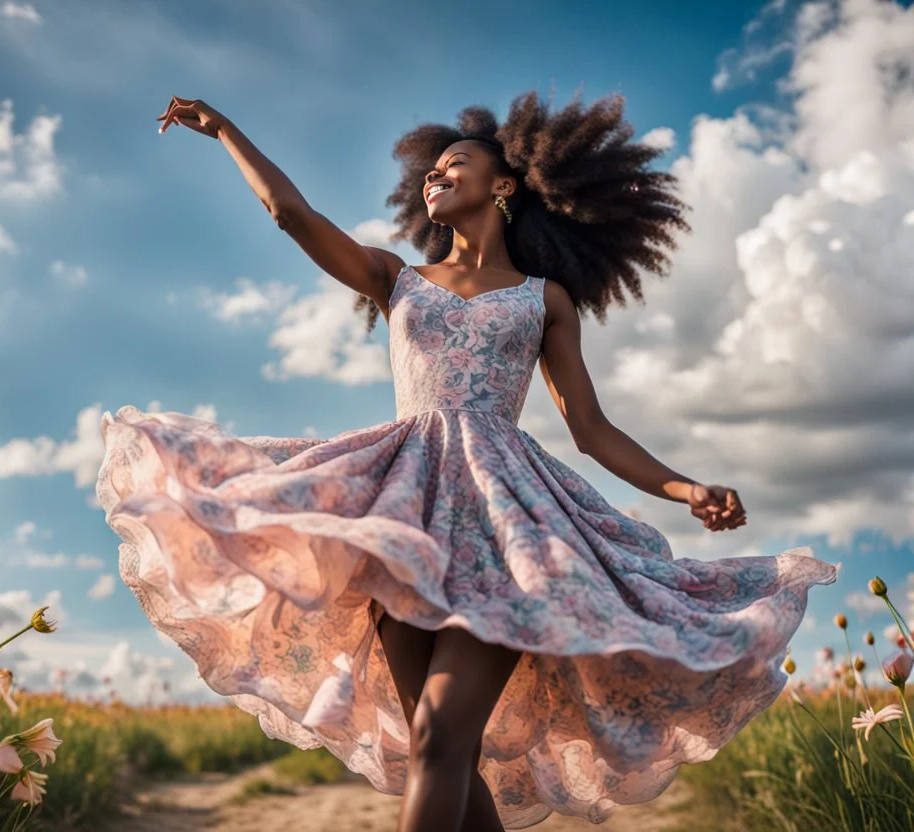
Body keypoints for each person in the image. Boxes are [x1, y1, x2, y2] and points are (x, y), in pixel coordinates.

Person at [94, 93, 839, 831]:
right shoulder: (399, 279)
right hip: (404, 520)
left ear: (504, 185)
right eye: (431, 171)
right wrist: (225, 129)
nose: (435, 177)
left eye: (456, 165)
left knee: (443, 735)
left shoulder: (545, 300)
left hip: (505, 531)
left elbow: (591, 428)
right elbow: (292, 217)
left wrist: (685, 487)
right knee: (436, 747)